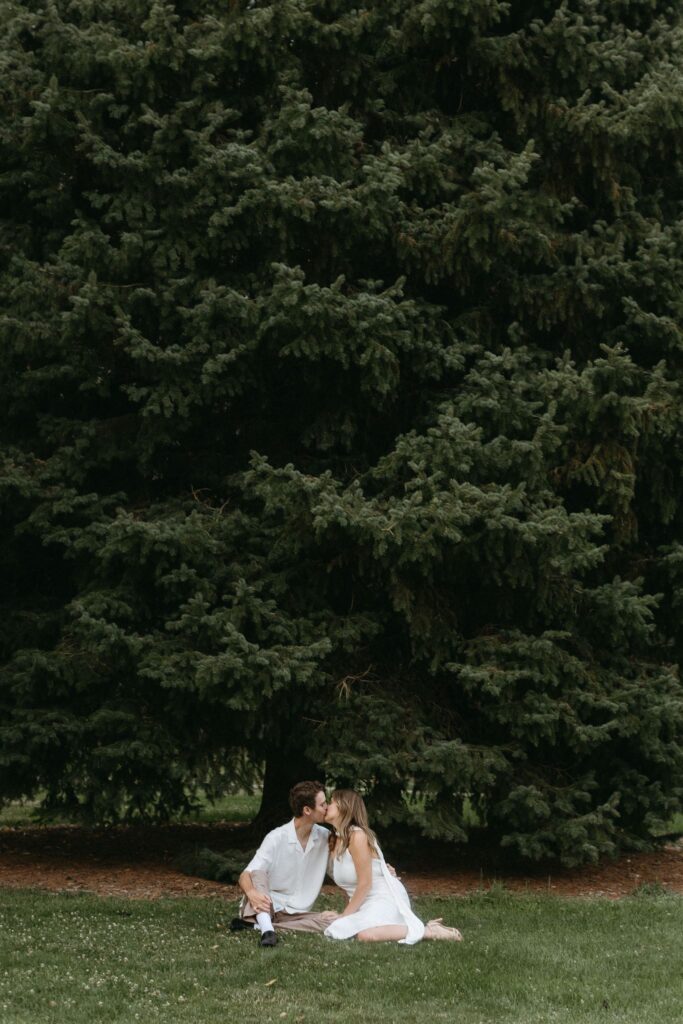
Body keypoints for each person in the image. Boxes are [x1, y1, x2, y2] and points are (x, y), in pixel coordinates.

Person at [323, 789, 463, 944]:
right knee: (339, 930)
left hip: (384, 897)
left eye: (331, 802)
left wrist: (345, 915)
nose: (327, 806)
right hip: (364, 903)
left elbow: (365, 884)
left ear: (344, 808)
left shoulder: (357, 836)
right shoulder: (335, 839)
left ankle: (429, 931)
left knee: (365, 935)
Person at [234, 780, 337, 947]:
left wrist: (378, 868)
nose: (327, 807)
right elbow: (246, 874)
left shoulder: (325, 837)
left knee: (333, 922)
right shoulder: (276, 837)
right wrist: (252, 893)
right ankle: (267, 932)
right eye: (323, 804)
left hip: (299, 913)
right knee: (257, 874)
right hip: (267, 905)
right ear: (307, 810)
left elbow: (341, 872)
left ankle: (258, 926)